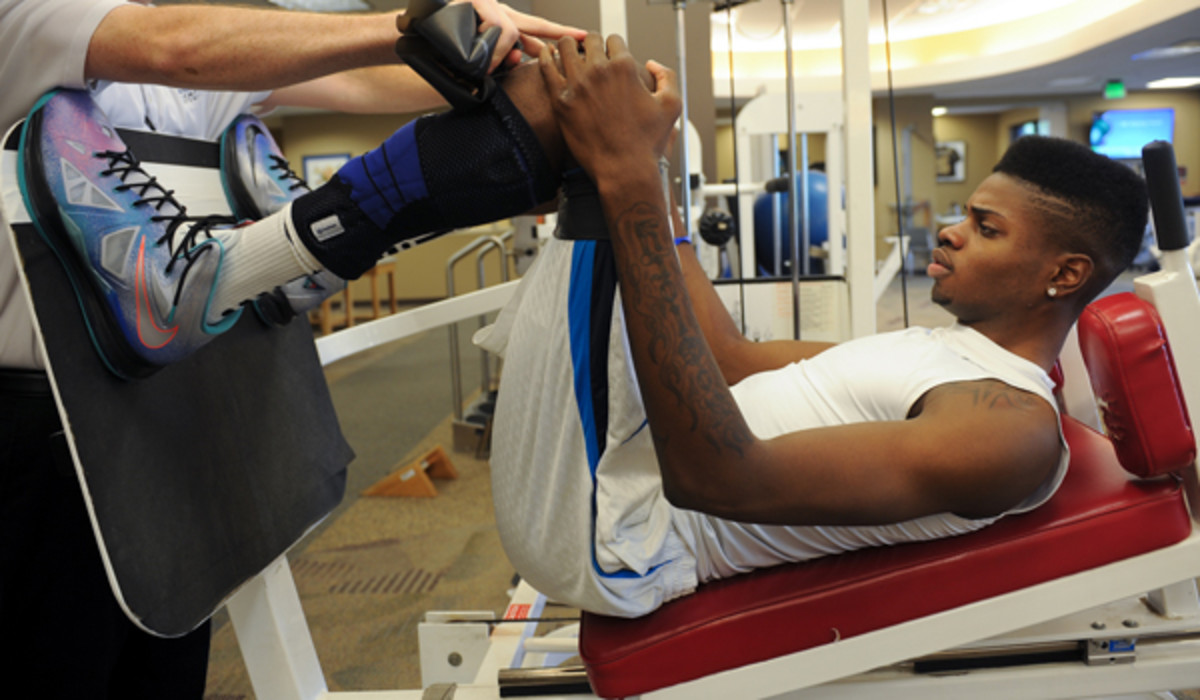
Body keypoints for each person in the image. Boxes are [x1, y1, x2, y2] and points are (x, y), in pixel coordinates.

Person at [0, 1, 583, 696]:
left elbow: (361, 82)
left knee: (168, 637)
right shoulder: (33, 19)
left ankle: (277, 252)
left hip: (172, 397)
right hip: (46, 420)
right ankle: (307, 235)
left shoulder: (183, 60)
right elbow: (173, 46)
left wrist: (511, 69)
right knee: (57, 659)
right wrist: (416, 22)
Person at [473, 34, 1149, 617]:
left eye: (985, 227)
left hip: (612, 535)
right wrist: (651, 173)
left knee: (578, 140)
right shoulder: (942, 350)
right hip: (621, 474)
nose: (950, 230)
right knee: (584, 112)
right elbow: (728, 359)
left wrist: (626, 175)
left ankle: (370, 205)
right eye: (965, 213)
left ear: (1063, 276)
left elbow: (717, 481)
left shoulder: (1009, 429)